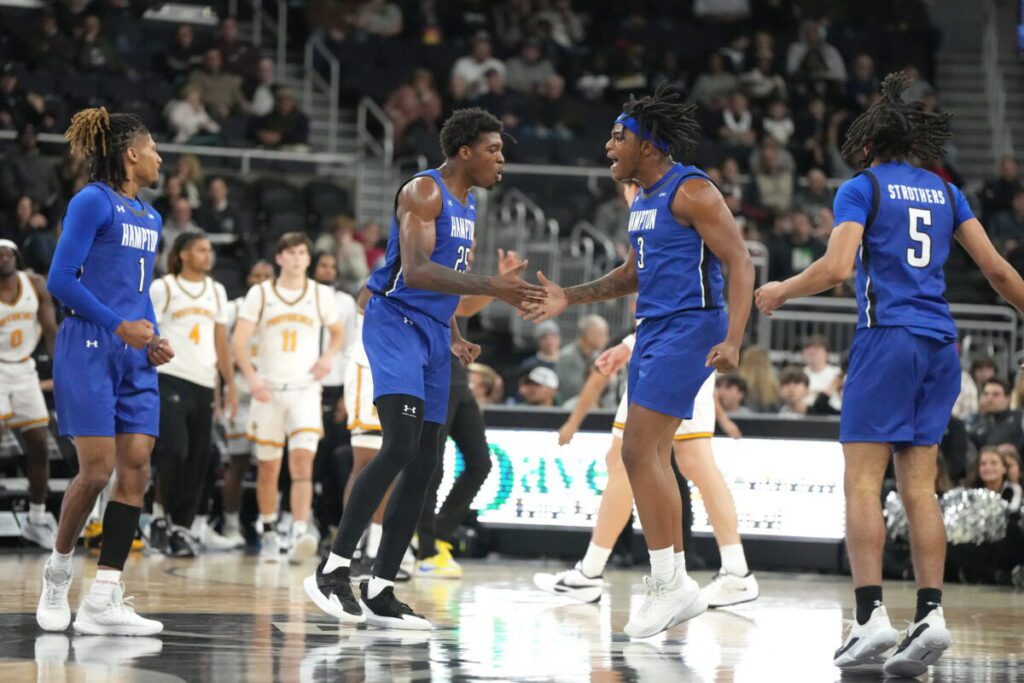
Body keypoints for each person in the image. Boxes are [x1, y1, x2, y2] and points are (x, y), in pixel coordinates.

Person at [754, 72, 1024, 677]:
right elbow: (1001, 275)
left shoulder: (861, 187)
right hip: (941, 346)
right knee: (919, 487)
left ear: (870, 142)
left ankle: (871, 617)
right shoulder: (946, 192)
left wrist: (783, 290)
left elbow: (838, 265)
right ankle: (931, 614)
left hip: (889, 339)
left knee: (860, 482)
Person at [523, 85, 755, 639]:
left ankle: (670, 582)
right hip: (653, 328)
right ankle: (673, 583)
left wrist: (735, 338)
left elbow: (741, 262)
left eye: (618, 136)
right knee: (647, 453)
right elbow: (632, 274)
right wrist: (569, 297)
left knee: (636, 450)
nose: (608, 145)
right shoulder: (644, 200)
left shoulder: (692, 189)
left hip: (691, 325)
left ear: (647, 145)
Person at [304, 108, 545, 630]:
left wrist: (457, 336)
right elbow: (413, 272)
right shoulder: (424, 192)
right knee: (399, 444)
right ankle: (333, 568)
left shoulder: (470, 202)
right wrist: (493, 286)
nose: (501, 160)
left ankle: (382, 588)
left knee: (428, 463)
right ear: (464, 151)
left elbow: (447, 277)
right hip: (393, 324)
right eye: (493, 150)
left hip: (436, 336)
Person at [38, 107, 173, 636]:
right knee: (95, 471)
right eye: (154, 147)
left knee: (136, 467)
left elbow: (139, 293)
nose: (161, 157)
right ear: (132, 153)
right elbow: (60, 280)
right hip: (90, 342)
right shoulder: (91, 201)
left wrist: (153, 337)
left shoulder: (151, 217)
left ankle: (104, 596)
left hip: (133, 351)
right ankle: (56, 573)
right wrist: (120, 327)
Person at [536, 333, 755, 608]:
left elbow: (673, 299)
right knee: (684, 461)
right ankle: (735, 570)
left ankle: (591, 573)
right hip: (675, 346)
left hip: (669, 350)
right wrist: (630, 343)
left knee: (633, 461)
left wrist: (630, 342)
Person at [232, 233, 344, 564]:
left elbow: (338, 332)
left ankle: (298, 528)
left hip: (305, 389)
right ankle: (268, 530)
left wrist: (327, 358)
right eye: (291, 253)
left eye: (302, 253)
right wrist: (251, 378)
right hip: (268, 387)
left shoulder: (321, 295)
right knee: (268, 466)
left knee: (302, 463)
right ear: (279, 258)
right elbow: (238, 343)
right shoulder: (261, 293)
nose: (297, 258)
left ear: (308, 259)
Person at [148, 233, 237, 556]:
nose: (208, 255)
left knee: (199, 458)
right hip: (168, 377)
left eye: (210, 250)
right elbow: (148, 330)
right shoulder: (164, 287)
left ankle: (181, 529)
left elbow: (221, 343)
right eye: (201, 249)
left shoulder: (216, 290)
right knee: (174, 449)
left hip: (203, 382)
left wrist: (229, 385)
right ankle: (158, 517)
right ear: (183, 254)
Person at [0, 240, 57, 548]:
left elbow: (50, 332)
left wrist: (61, 368)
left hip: (25, 370)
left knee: (39, 445)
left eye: (8, 252)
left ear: (17, 256)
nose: (4, 257)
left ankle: (36, 519)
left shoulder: (35, 283)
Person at [220, 260, 274, 545]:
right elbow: (220, 347)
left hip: (271, 394)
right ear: (248, 277)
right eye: (256, 274)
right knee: (237, 464)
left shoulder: (282, 306)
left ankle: (271, 526)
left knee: (271, 463)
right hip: (241, 394)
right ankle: (230, 524)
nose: (261, 279)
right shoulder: (233, 308)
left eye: (267, 275)